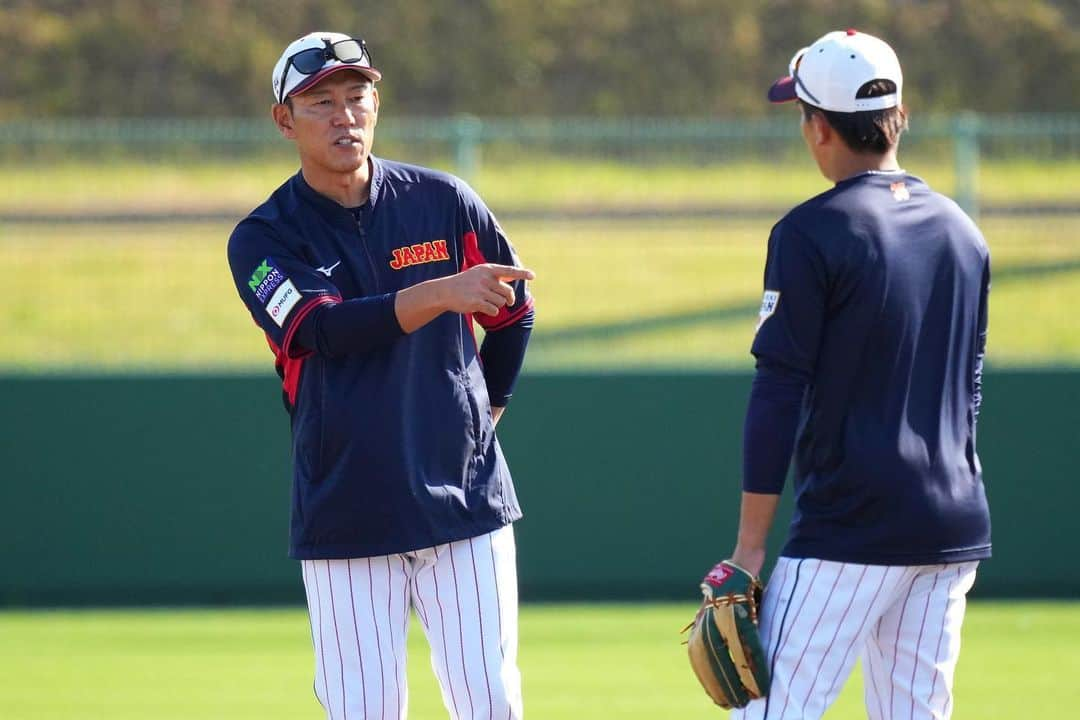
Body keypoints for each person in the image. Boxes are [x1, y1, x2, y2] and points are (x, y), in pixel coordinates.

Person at [226, 31, 535, 720]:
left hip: (465, 502)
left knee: (491, 702)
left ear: (377, 102)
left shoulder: (443, 200)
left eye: (357, 97)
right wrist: (443, 293)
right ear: (284, 120)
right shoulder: (263, 237)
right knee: (365, 711)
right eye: (321, 102)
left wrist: (487, 411)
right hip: (348, 507)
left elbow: (515, 312)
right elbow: (320, 330)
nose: (344, 116)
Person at [725, 30, 991, 720]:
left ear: (818, 129)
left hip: (851, 525)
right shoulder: (964, 231)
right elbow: (971, 390)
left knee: (769, 714)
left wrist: (750, 549)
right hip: (951, 522)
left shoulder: (813, 231)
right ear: (897, 117)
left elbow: (778, 390)